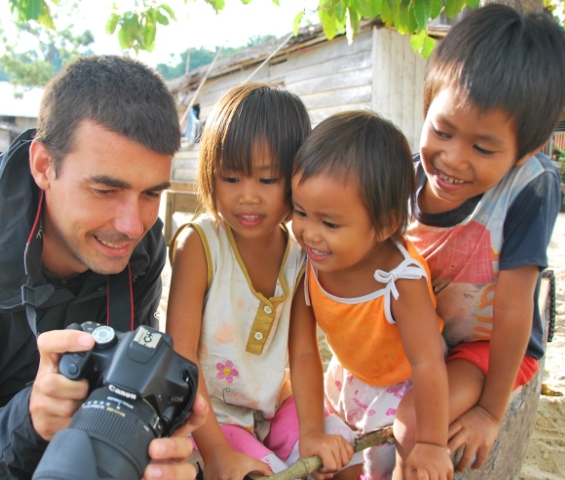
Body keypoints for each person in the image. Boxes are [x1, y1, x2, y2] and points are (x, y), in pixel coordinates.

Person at [0, 55, 208, 479]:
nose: (131, 225)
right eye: (105, 189)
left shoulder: (142, 246)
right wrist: (30, 419)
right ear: (43, 166)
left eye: (151, 194)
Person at [392, 5, 565, 478]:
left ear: (525, 149)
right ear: (427, 106)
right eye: (442, 131)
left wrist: (490, 413)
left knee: (413, 426)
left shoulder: (529, 185)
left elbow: (513, 310)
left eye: (483, 148)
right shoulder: (404, 178)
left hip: (489, 346)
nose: (451, 159)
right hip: (429, 338)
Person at [166, 83, 355, 480]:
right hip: (210, 418)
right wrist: (216, 453)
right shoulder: (199, 245)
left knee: (343, 459)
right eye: (231, 178)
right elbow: (180, 358)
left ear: (296, 178)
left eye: (267, 181)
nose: (247, 197)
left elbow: (304, 353)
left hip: (275, 404)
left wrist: (314, 432)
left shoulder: (301, 254)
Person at [290, 111, 453, 480]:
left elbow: (428, 363)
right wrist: (312, 429)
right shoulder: (310, 261)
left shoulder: (400, 280)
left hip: (404, 386)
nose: (309, 233)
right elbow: (302, 351)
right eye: (300, 212)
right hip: (349, 374)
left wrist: (430, 442)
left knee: (378, 466)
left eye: (329, 223)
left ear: (385, 223)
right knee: (332, 462)